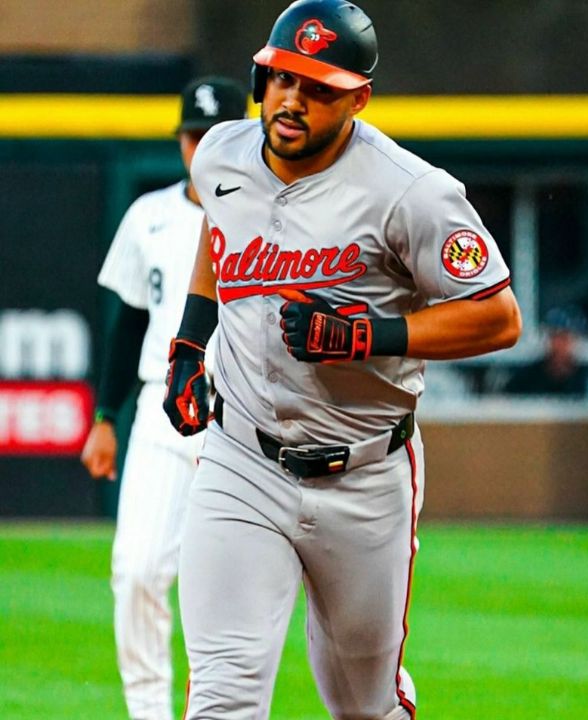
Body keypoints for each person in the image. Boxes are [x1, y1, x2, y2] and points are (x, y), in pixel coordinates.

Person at [159, 1, 521, 717]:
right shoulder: (222, 153)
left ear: (358, 97)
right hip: (241, 460)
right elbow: (218, 230)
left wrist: (371, 336)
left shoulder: (411, 191)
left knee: (364, 703)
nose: (292, 101)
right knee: (223, 695)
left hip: (364, 473)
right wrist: (189, 343)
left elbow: (498, 316)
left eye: (318, 87)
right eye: (282, 79)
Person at [78, 75, 246, 720]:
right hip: (159, 408)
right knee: (139, 569)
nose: (200, 146)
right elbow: (129, 324)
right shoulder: (147, 214)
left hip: (244, 414)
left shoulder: (275, 213)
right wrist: (103, 418)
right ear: (179, 139)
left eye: (214, 135)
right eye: (192, 135)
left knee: (229, 592)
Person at [504, 305, 588, 396]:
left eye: (565, 338)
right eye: (555, 337)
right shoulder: (527, 378)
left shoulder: (587, 378)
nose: (560, 344)